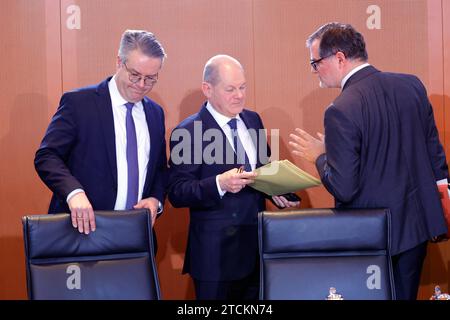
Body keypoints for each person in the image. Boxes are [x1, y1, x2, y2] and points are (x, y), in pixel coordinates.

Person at [289, 22, 449, 300]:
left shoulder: (340, 109)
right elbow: (434, 154)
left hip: (372, 234)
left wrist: (321, 156)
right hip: (417, 228)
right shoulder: (411, 85)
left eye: (315, 62)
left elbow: (344, 187)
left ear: (339, 58)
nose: (314, 70)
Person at [167, 54, 300, 300]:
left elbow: (262, 169)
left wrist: (277, 190)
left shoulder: (252, 119)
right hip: (214, 259)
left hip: (257, 251)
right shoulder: (188, 131)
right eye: (230, 89)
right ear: (207, 89)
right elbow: (177, 191)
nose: (239, 95)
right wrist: (219, 183)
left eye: (242, 87)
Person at [35, 30, 167, 235]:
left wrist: (155, 200)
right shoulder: (79, 104)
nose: (141, 85)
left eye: (150, 78)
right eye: (135, 75)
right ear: (119, 62)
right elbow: (47, 156)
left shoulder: (155, 113)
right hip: (82, 232)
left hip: (136, 234)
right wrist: (73, 193)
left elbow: (159, 169)